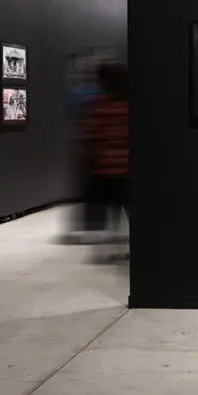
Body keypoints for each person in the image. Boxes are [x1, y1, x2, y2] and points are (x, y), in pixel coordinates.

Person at [83, 60, 130, 262]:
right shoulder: (128, 105)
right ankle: (132, 248)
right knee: (129, 209)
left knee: (114, 211)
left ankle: (116, 248)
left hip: (106, 168)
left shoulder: (98, 106)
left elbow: (92, 136)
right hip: (127, 167)